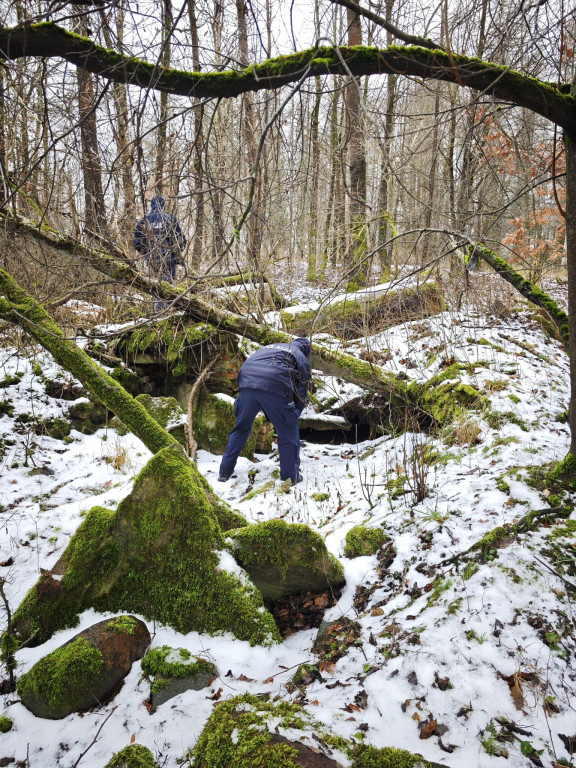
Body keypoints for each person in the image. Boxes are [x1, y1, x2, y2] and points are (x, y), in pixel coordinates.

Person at [218, 338, 312, 485]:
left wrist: (242, 393)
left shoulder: (268, 348)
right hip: (275, 387)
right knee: (288, 433)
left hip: (247, 383)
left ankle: (224, 472)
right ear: (305, 350)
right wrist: (295, 413)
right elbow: (302, 390)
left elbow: (247, 366)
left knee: (241, 429)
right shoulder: (301, 357)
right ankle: (290, 477)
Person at [134, 195, 186, 284]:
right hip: (169, 258)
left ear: (152, 205)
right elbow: (181, 240)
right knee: (168, 287)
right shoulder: (170, 219)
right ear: (163, 205)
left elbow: (137, 243)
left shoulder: (143, 221)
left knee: (155, 286)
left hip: (151, 259)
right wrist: (176, 253)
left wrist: (146, 253)